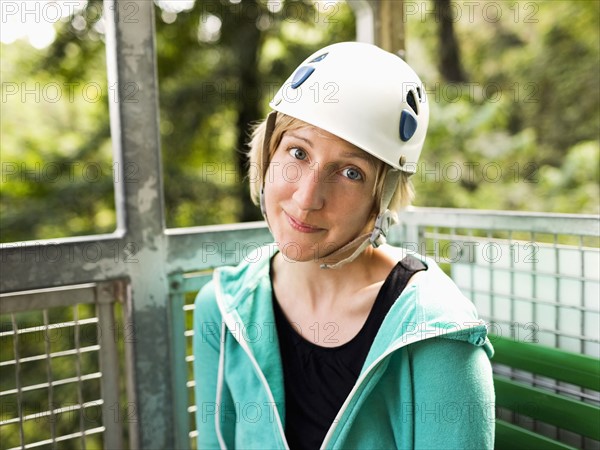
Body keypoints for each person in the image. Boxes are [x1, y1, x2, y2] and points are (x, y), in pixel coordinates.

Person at [193, 41, 495, 449]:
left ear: (383, 197)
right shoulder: (224, 309)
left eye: (350, 172)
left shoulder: (436, 335)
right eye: (298, 152)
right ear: (268, 154)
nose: (307, 198)